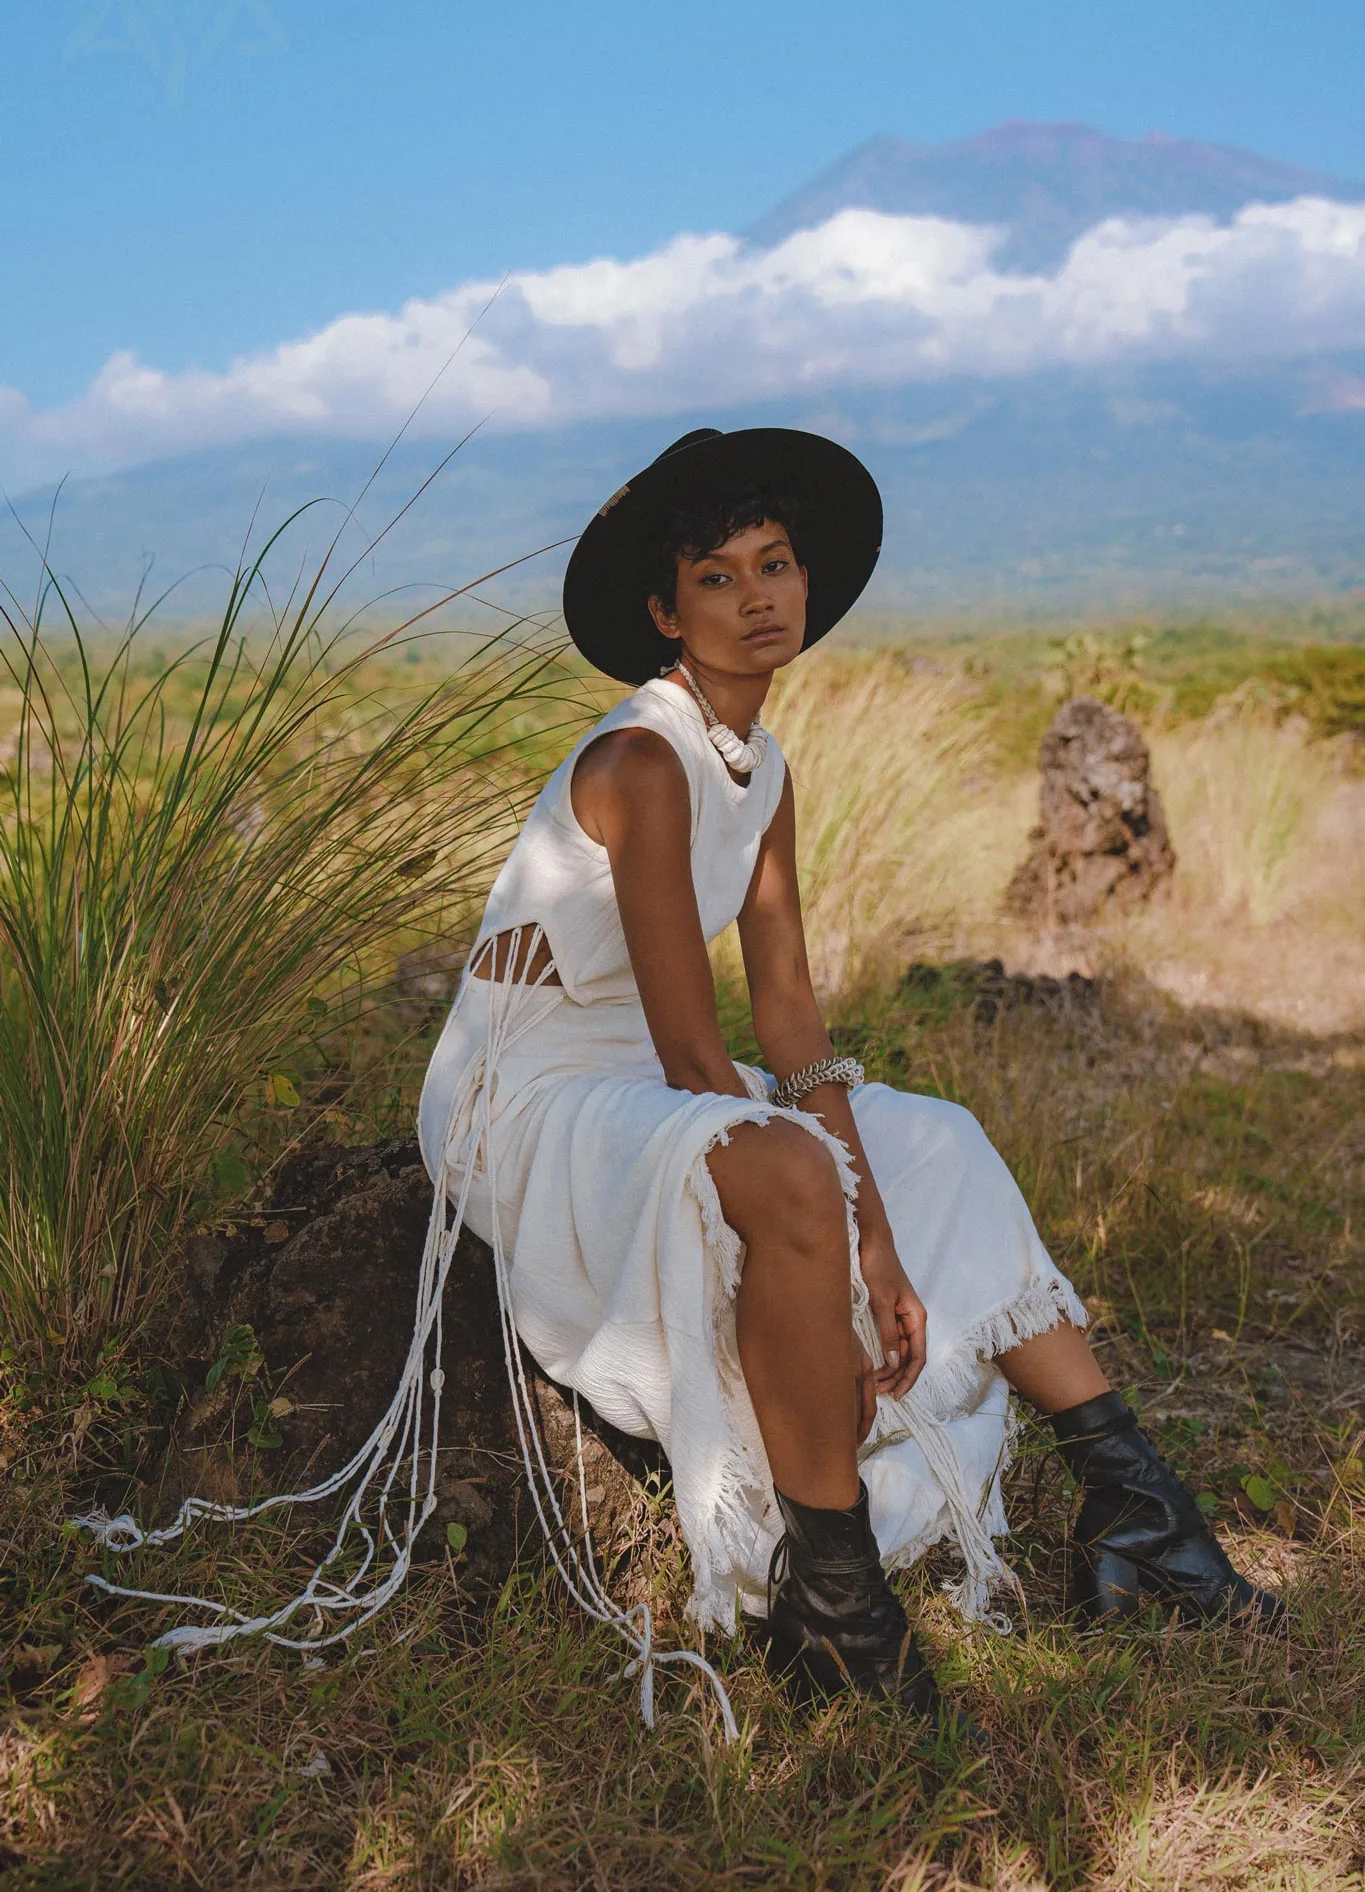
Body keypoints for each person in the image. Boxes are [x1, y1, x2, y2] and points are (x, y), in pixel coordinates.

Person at [417, 426, 1283, 1735]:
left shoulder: (761, 771)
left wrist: (878, 1222)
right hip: (525, 1095)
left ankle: (1135, 1506)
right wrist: (844, 1217)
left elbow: (789, 1010)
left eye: (777, 565)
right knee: (782, 1163)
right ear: (665, 611)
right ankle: (834, 1604)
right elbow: (691, 1046)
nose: (759, 597)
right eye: (718, 576)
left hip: (643, 1075)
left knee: (936, 1137)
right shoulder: (645, 762)